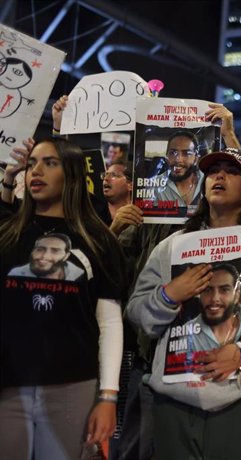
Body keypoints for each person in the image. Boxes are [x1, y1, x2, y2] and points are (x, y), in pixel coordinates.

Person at [125, 147, 241, 459]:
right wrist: (168, 295)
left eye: (231, 171)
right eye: (212, 171)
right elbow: (138, 315)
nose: (219, 176)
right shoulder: (171, 247)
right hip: (174, 403)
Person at [111, 102, 241, 460]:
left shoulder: (219, 203)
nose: (180, 158)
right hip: (150, 354)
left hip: (207, 356)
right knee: (138, 448)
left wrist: (229, 137)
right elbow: (114, 274)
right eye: (174, 153)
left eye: (188, 152)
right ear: (166, 157)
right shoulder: (147, 206)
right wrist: (115, 230)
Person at [0, 137, 126, 460]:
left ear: (72, 174)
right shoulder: (9, 233)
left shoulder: (98, 240)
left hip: (72, 387)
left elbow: (109, 322)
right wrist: (7, 180)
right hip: (8, 386)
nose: (36, 171)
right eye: (32, 164)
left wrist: (108, 397)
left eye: (49, 163)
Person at [185, 263, 241, 352]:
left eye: (224, 290)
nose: (215, 298)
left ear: (237, 296)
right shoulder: (186, 332)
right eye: (208, 290)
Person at [152, 130, 204, 210]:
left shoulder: (208, 181)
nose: (178, 160)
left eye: (186, 153)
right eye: (173, 153)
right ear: (166, 157)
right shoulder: (153, 185)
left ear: (196, 159)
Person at [7, 232, 85, 280]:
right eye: (40, 249)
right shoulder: (16, 274)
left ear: (66, 256)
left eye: (55, 251)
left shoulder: (80, 275)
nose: (44, 256)